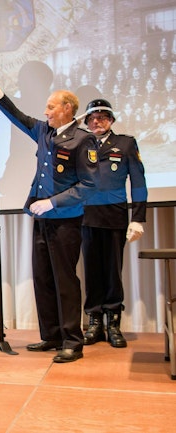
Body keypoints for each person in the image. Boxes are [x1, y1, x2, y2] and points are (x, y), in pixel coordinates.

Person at [0, 72, 98, 363]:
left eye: (51, 107)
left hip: (66, 219)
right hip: (42, 219)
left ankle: (73, 340)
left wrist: (53, 202)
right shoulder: (45, 132)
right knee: (43, 278)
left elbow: (88, 186)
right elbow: (18, 116)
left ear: (67, 109)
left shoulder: (83, 140)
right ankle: (51, 335)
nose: (45, 111)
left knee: (65, 280)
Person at [81, 99, 147, 348]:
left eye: (102, 116)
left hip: (114, 216)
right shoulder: (81, 144)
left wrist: (138, 218)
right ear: (86, 122)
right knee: (91, 271)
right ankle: (94, 322)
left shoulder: (125, 143)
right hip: (86, 216)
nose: (97, 121)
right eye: (92, 118)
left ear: (111, 120)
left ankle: (113, 323)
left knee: (112, 272)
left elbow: (138, 182)